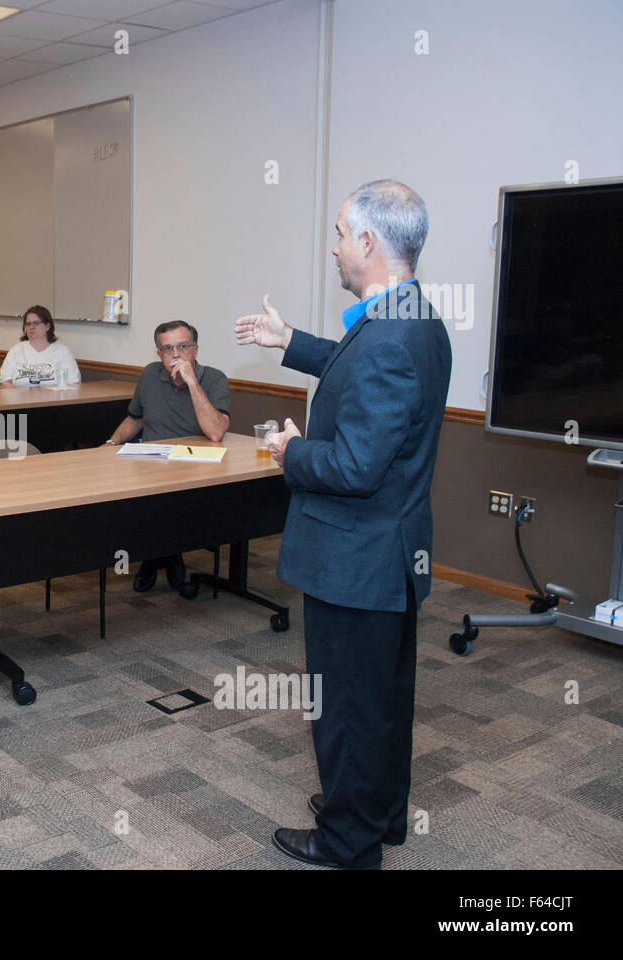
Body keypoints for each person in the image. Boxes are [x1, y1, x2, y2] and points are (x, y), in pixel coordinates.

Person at [235, 179, 451, 870]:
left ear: (367, 241)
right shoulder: (413, 318)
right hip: (389, 554)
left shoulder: (389, 336)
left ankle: (348, 843)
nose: (332, 248)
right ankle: (376, 813)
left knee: (348, 710)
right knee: (380, 701)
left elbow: (356, 465)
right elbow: (359, 376)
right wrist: (289, 341)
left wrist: (289, 451)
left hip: (356, 559)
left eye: (338, 233)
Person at [103, 320, 231, 592]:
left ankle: (158, 557)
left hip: (194, 467)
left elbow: (216, 432)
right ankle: (164, 556)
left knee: (171, 505)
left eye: (183, 347)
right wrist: (111, 442)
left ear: (195, 350)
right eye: (168, 349)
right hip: (150, 464)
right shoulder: (150, 375)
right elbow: (135, 419)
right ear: (158, 354)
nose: (176, 355)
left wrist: (192, 382)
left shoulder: (215, 378)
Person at [0, 305, 81, 388]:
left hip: (53, 400)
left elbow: (73, 382)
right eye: (28, 324)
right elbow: (4, 381)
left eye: (36, 323)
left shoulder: (62, 351)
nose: (31, 327)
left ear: (47, 326)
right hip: (20, 400)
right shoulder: (16, 350)